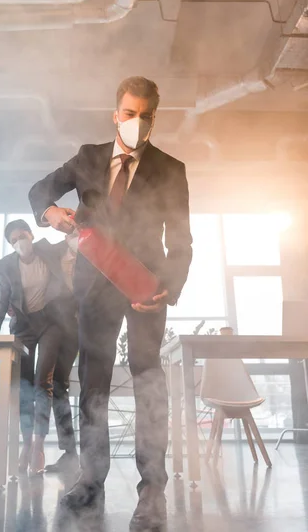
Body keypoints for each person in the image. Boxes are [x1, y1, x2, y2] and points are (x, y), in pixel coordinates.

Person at [28, 76, 193, 530]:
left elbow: (181, 241)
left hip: (145, 289)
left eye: (145, 115)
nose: (135, 122)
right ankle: (90, 481)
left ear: (154, 118)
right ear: (114, 113)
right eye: (128, 112)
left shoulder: (171, 169)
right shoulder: (88, 157)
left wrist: (169, 286)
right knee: (94, 383)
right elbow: (39, 191)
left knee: (148, 383)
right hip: (95, 285)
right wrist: (51, 213)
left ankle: (152, 491)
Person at [0, 220, 79, 476]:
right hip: (24, 328)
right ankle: (26, 442)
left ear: (31, 234)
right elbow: (1, 302)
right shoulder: (5, 266)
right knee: (23, 386)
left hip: (51, 323)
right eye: (14, 239)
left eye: (23, 235)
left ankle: (39, 442)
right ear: (10, 245)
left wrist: (75, 227)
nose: (20, 242)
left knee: (43, 382)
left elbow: (74, 243)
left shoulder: (48, 249)